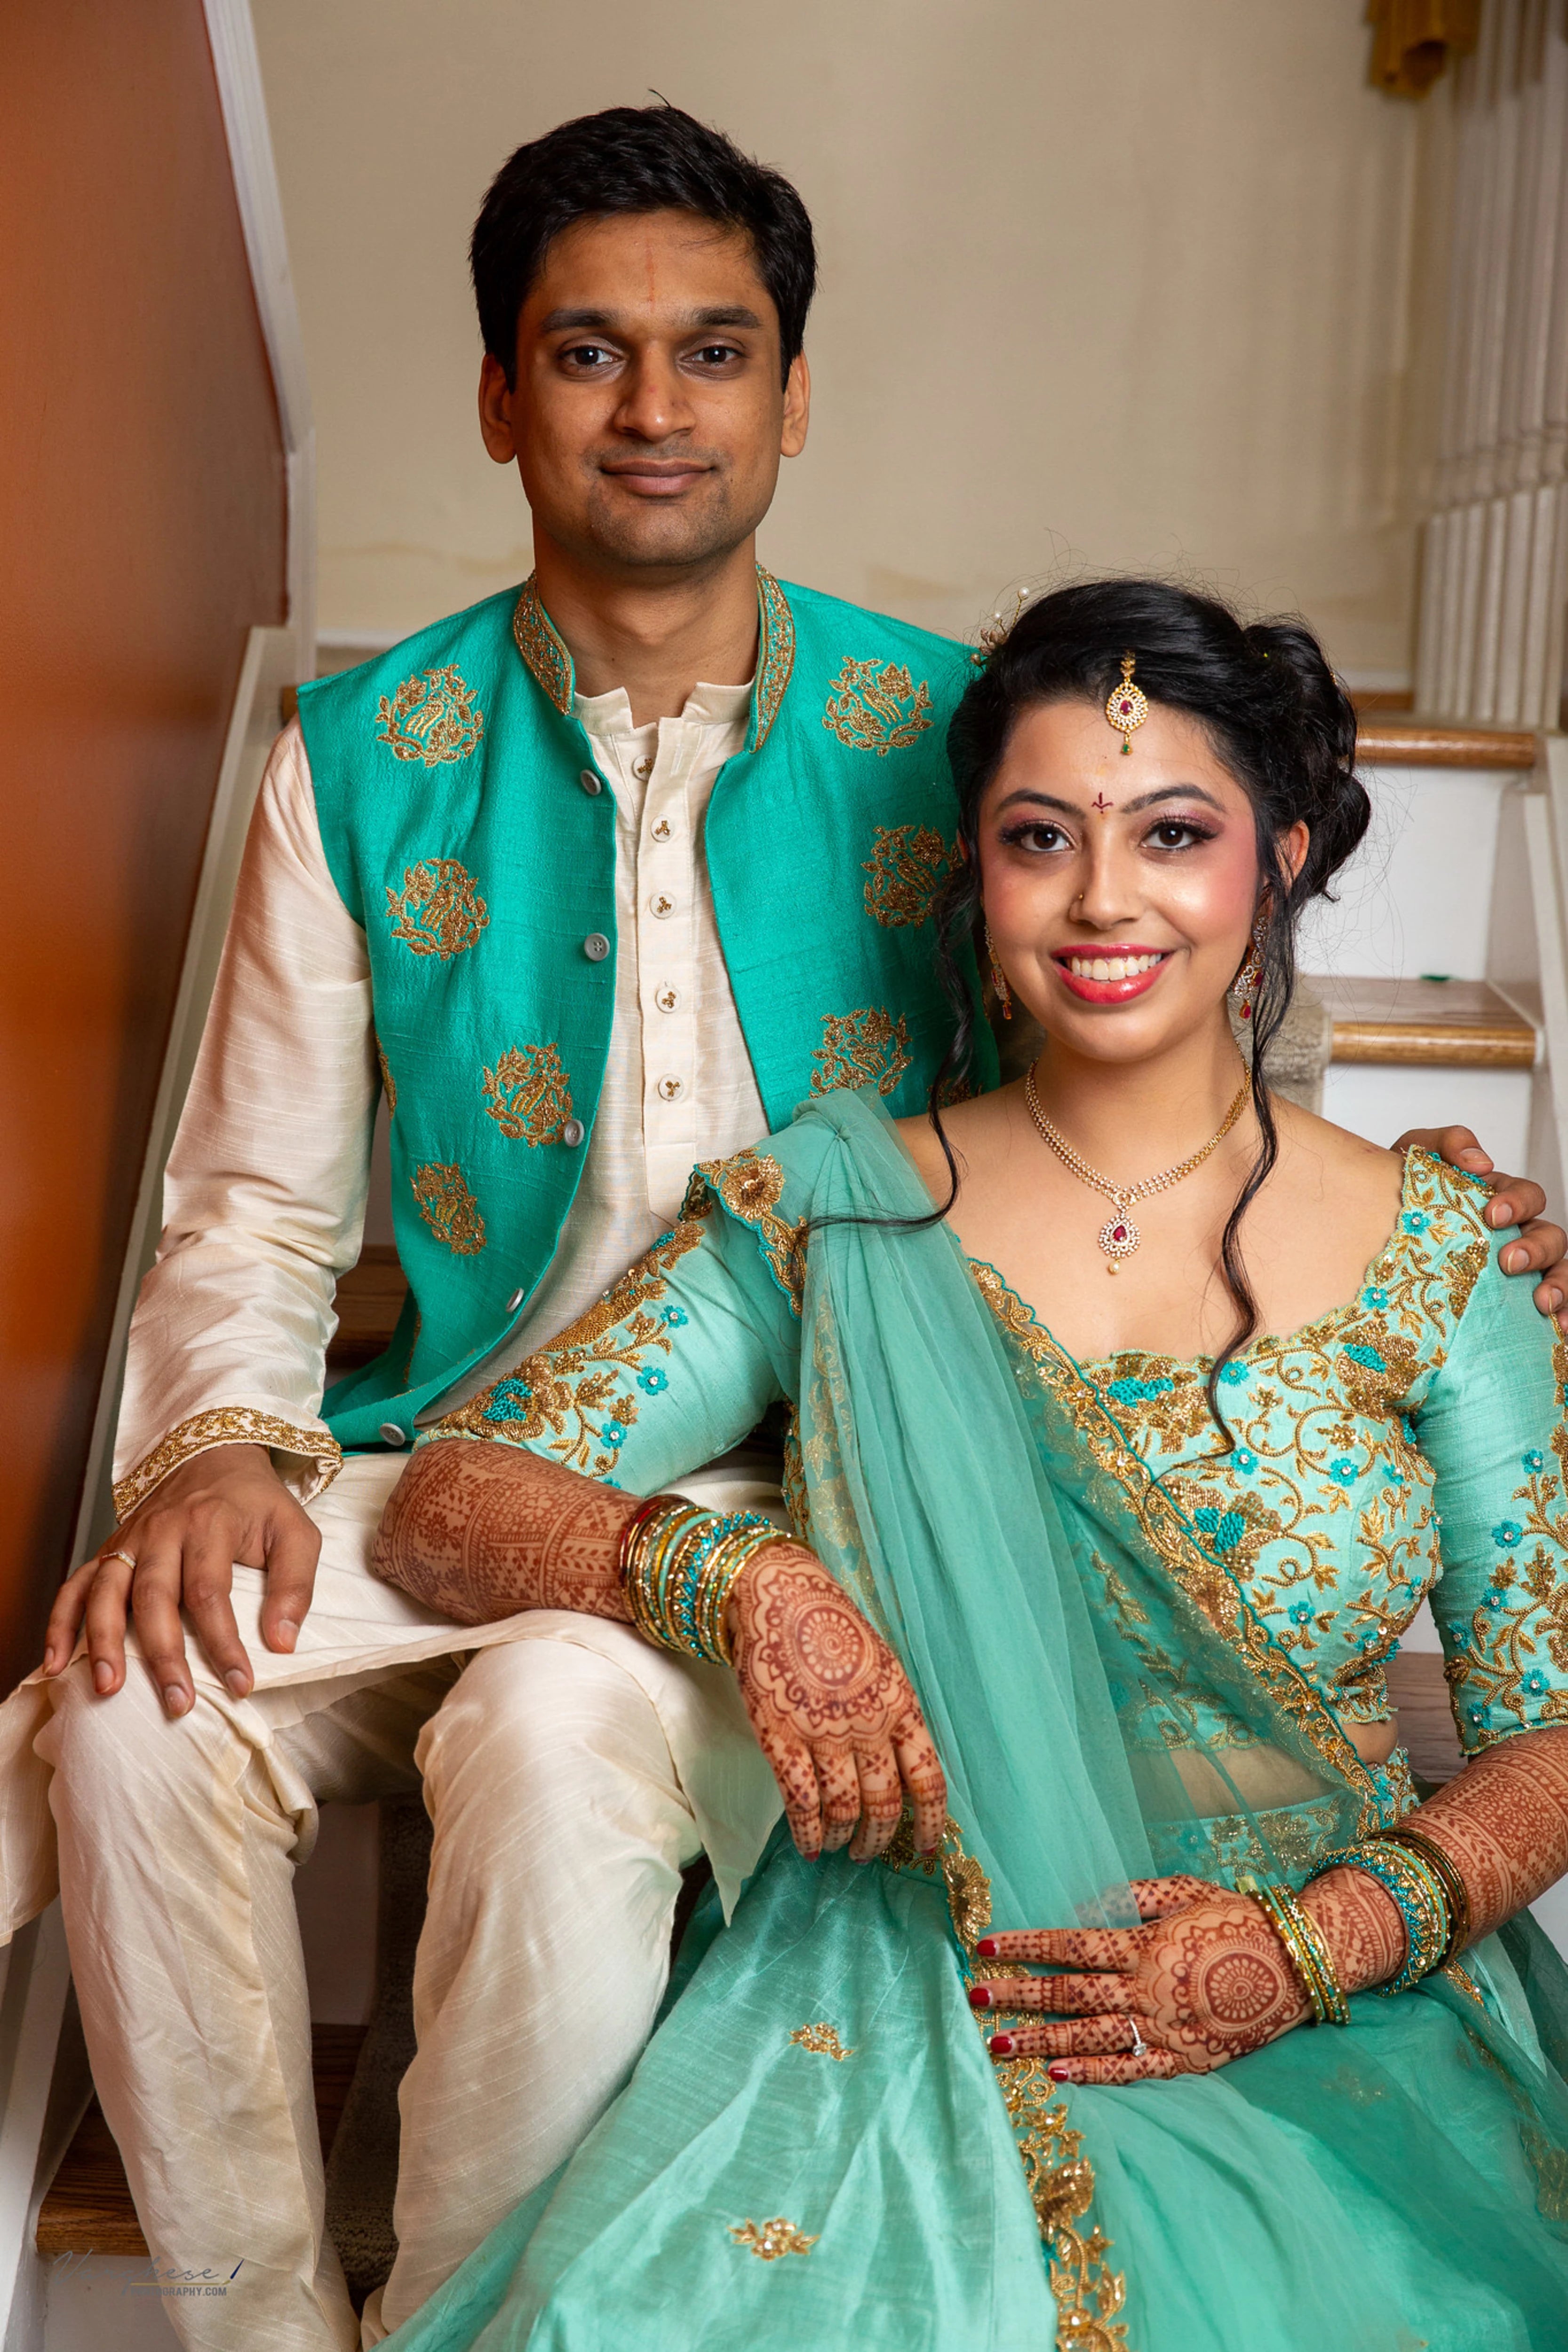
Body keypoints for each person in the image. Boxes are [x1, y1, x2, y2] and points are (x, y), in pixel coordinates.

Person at [0, 104, 1556, 2352]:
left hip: (815, 1463)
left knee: (550, 1731)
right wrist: (214, 1446)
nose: (655, 412)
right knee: (132, 1710)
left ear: (793, 395)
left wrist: (1442, 1218)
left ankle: (463, 2308)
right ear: (497, 394)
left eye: (714, 353)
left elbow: (1166, 1062)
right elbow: (247, 1195)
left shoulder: (956, 741)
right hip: (439, 1443)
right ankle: (255, 2328)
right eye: (589, 355)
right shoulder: (359, 753)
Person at [366, 579, 1568, 2352]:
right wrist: (746, 1581)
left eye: (1175, 833)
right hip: (915, 1962)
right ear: (976, 872)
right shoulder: (839, 1205)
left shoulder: (1446, 1255)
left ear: (1282, 858)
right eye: (1039, 837)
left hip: (1326, 1991)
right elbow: (454, 1489)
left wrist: (1309, 1946)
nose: (1103, 900)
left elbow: (1548, 1729)